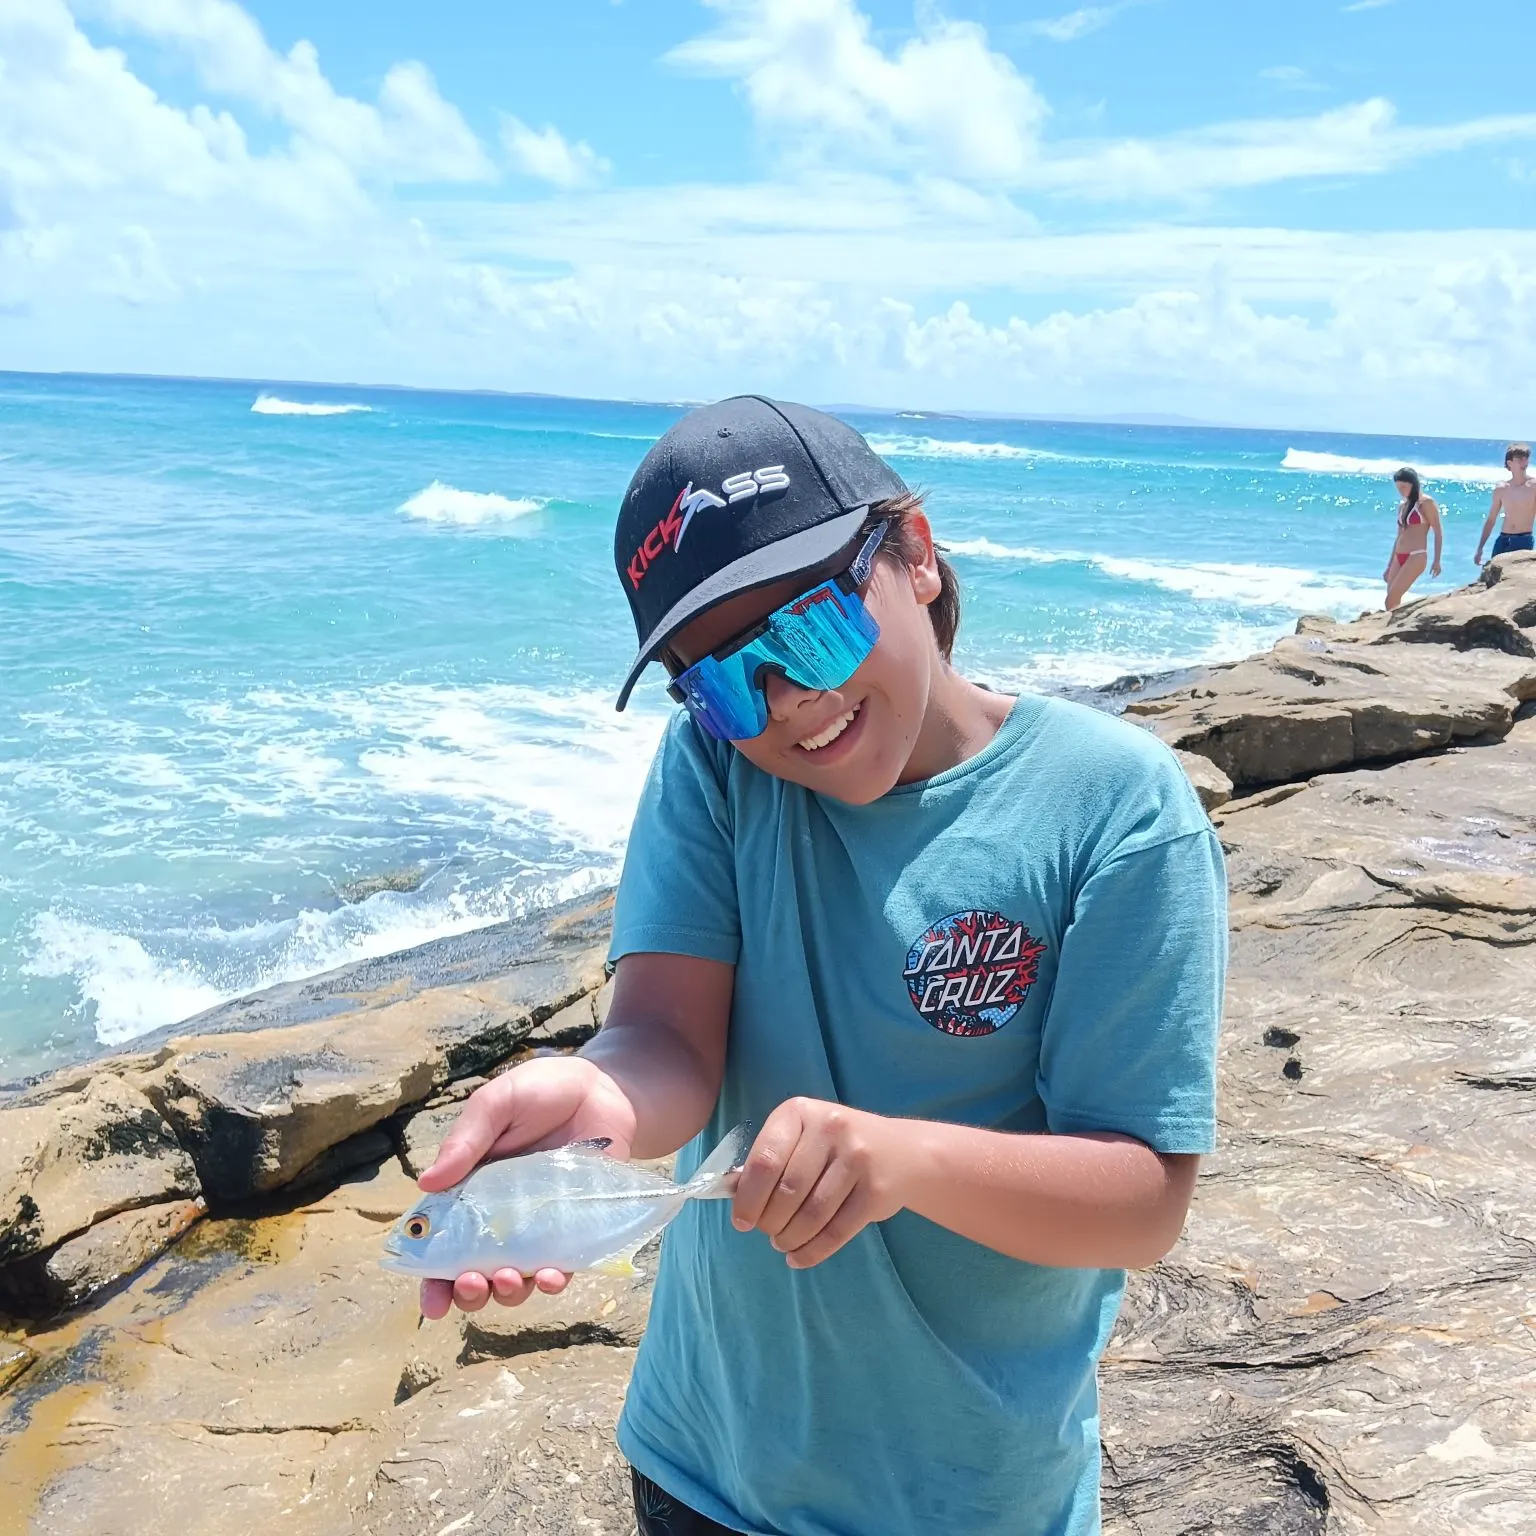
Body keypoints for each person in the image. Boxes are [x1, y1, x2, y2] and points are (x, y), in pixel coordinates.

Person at [417, 398, 1227, 1536]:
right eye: (723, 678)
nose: (789, 702)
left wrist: (898, 1162)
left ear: (918, 557)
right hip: (703, 1464)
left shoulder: (1113, 809)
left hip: (970, 1501)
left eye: (810, 627)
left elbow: (1141, 1200)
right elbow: (666, 1040)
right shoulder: (714, 766)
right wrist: (592, 1095)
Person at [1382, 466, 1442, 611]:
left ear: (1413, 483)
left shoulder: (1426, 503)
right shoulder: (1403, 506)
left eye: (1403, 486)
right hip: (1399, 556)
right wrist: (1389, 565)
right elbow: (1398, 537)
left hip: (1416, 555)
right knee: (1391, 601)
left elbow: (1438, 531)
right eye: (1398, 488)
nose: (1400, 491)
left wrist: (1437, 560)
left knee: (1391, 599)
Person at [1474, 443, 1535, 566]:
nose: (1524, 462)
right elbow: (1491, 519)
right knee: (1492, 578)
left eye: (1525, 458)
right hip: (1503, 540)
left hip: (1523, 540)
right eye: (1519, 459)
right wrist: (1480, 548)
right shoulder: (1502, 488)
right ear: (1509, 463)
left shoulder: (1533, 486)